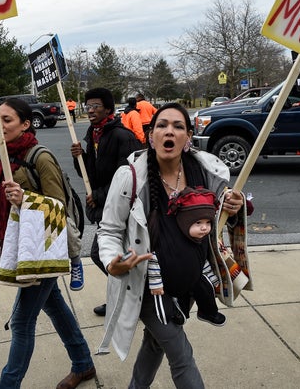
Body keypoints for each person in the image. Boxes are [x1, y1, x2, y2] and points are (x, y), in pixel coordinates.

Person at [0, 97, 95, 389]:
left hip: (44, 250)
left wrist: (25, 199)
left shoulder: (41, 157)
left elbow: (59, 209)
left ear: (26, 124)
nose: (0, 126)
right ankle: (83, 363)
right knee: (54, 307)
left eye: (7, 120)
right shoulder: (2, 158)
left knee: (21, 323)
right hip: (24, 248)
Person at [96, 102, 246, 388]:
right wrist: (112, 260)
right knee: (181, 355)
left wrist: (234, 205)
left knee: (155, 344)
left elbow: (224, 213)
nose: (169, 131)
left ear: (188, 136)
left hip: (189, 283)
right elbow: (109, 231)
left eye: (178, 127)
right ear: (150, 135)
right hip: (148, 287)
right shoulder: (130, 177)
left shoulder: (207, 172)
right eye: (162, 125)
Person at [70, 87, 141, 315]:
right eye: (88, 106)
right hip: (104, 207)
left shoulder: (123, 137)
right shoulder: (93, 134)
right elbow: (88, 174)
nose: (90, 110)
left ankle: (132, 298)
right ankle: (127, 298)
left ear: (108, 109)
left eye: (95, 106)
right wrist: (80, 158)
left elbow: (129, 177)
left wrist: (99, 195)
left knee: (101, 255)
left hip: (121, 209)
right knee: (114, 257)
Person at [148, 186, 226, 326]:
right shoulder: (170, 241)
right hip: (172, 280)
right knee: (178, 299)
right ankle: (179, 314)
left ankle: (207, 311)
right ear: (185, 222)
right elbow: (153, 259)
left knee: (206, 289)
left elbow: (202, 261)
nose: (204, 228)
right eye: (198, 223)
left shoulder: (199, 241)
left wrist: (213, 280)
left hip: (193, 277)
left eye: (208, 223)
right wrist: (156, 283)